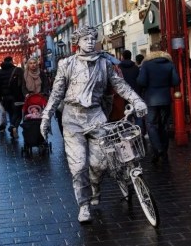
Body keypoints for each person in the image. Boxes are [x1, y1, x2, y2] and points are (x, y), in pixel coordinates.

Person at [40, 25, 147, 223]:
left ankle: (95, 187)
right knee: (79, 166)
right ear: (77, 42)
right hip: (72, 118)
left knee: (100, 164)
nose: (90, 42)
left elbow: (119, 85)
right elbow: (56, 93)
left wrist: (137, 100)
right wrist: (46, 116)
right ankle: (84, 205)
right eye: (85, 39)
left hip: (96, 117)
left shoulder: (105, 64)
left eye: (92, 39)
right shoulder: (67, 64)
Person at [137, 45, 180, 164]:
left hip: (151, 100)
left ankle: (158, 149)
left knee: (151, 125)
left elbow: (141, 81)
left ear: (151, 52)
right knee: (164, 125)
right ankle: (163, 153)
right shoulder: (169, 64)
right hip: (166, 98)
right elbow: (176, 81)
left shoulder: (146, 64)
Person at [0, 56, 24, 137]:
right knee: (18, 113)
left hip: (5, 97)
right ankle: (13, 126)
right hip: (17, 96)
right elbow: (22, 83)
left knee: (11, 113)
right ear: (11, 61)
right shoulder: (17, 70)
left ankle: (12, 130)